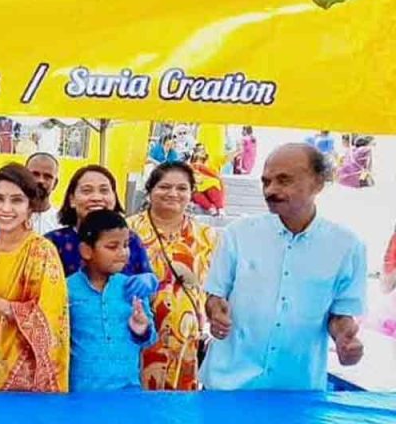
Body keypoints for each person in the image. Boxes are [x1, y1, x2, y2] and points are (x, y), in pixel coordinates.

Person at [202, 144, 366, 390]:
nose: (270, 190)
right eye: (266, 182)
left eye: (283, 180)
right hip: (228, 385)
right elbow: (215, 296)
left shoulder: (347, 246)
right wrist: (216, 312)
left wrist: (345, 339)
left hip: (297, 388)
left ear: (318, 183)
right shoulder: (237, 234)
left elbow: (341, 315)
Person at [0, 164, 70, 392]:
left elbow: (49, 322)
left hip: (24, 372)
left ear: (30, 207)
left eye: (16, 200)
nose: (6, 208)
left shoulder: (41, 251)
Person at [127, 162, 217, 391]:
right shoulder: (127, 230)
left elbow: (216, 287)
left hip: (186, 342)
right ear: (150, 190)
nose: (173, 194)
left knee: (179, 406)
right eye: (164, 187)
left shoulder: (207, 237)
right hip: (136, 337)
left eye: (182, 188)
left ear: (191, 193)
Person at [69, 210, 157, 391]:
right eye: (112, 246)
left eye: (126, 245)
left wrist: (141, 329)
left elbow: (150, 340)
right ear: (86, 251)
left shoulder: (133, 288)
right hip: (80, 394)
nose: (123, 253)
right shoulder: (67, 289)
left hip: (128, 392)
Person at [44, 166, 157, 299]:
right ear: (72, 200)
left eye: (104, 190)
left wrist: (149, 283)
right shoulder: (53, 242)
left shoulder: (131, 239)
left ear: (114, 197)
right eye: (87, 191)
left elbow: (151, 296)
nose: (96, 197)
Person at [190, 151, 226, 216]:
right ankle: (211, 208)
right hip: (196, 189)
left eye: (202, 159)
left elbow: (217, 178)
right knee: (196, 194)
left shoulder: (206, 168)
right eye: (197, 159)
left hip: (208, 186)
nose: (198, 162)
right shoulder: (191, 167)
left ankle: (219, 208)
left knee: (212, 188)